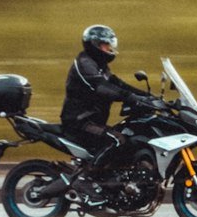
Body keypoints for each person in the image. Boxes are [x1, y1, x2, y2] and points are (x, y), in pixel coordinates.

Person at [60, 24, 151, 181]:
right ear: (94, 45)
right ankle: (87, 179)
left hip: (93, 121)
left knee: (130, 135)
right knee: (117, 140)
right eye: (105, 45)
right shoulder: (85, 64)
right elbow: (102, 87)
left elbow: (118, 84)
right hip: (79, 122)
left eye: (110, 45)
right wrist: (130, 97)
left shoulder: (100, 66)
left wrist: (148, 97)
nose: (109, 49)